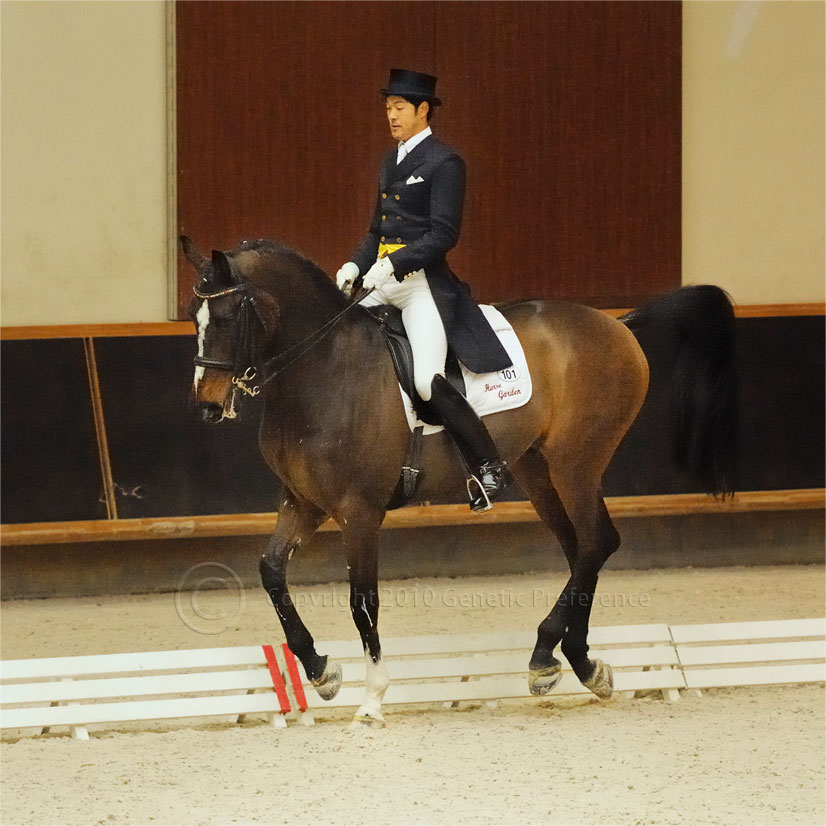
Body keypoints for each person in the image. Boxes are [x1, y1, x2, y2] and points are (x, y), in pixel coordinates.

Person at [335, 68, 512, 512]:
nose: (391, 115)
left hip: (419, 286)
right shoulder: (388, 161)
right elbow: (377, 229)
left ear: (422, 110)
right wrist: (356, 263)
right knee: (338, 343)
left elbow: (443, 234)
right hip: (381, 280)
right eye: (387, 108)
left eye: (399, 108)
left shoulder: (445, 162)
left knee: (426, 380)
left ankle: (489, 466)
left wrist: (393, 264)